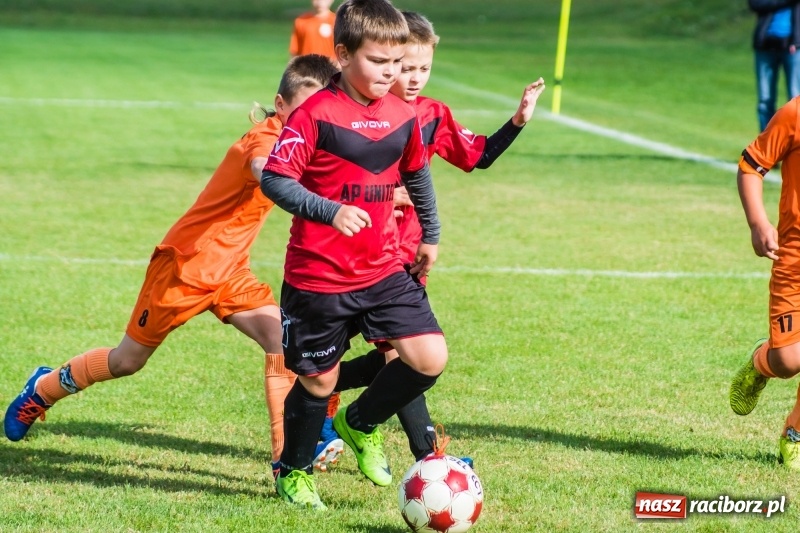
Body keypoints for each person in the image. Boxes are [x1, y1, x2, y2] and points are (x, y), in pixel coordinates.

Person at [3, 55, 344, 476]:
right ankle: (44, 387)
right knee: (126, 361)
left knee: (286, 345)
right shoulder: (266, 137)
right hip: (185, 268)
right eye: (305, 109)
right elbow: (263, 166)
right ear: (280, 104)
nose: (312, 119)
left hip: (232, 272)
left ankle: (287, 461)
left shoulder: (304, 142)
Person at [333, 10, 545, 464]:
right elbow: (336, 181)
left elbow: (478, 155)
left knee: (401, 354)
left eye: (423, 69)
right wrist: (389, 195)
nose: (412, 78)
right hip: (354, 252)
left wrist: (518, 121)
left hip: (404, 257)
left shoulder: (431, 114)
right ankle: (416, 452)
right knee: (399, 356)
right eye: (405, 68)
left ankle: (339, 402)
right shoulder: (352, 115)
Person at [260, 0, 447, 511]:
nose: (391, 74)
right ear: (342, 55)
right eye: (379, 62)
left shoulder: (403, 115)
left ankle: (358, 422)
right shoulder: (315, 113)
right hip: (318, 274)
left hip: (382, 266)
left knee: (429, 357)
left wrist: (430, 232)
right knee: (318, 380)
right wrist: (329, 211)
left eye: (398, 63)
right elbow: (276, 178)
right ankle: (294, 473)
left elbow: (417, 175)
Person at [729, 94, 800, 469]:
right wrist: (758, 223)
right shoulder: (795, 113)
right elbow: (750, 167)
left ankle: (795, 434)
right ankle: (762, 362)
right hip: (795, 258)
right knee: (789, 360)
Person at [749, 0, 800, 130]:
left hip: (793, 47)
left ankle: (794, 143)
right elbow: (755, 4)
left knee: (795, 98)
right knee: (765, 100)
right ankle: (766, 144)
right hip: (765, 45)